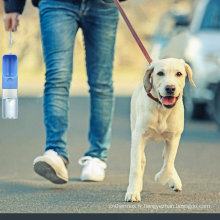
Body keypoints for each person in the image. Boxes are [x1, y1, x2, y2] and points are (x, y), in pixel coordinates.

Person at [3, 0, 126, 184]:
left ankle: (97, 157)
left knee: (101, 82)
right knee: (57, 77)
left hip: (103, 4)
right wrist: (13, 6)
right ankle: (55, 152)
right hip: (56, 3)